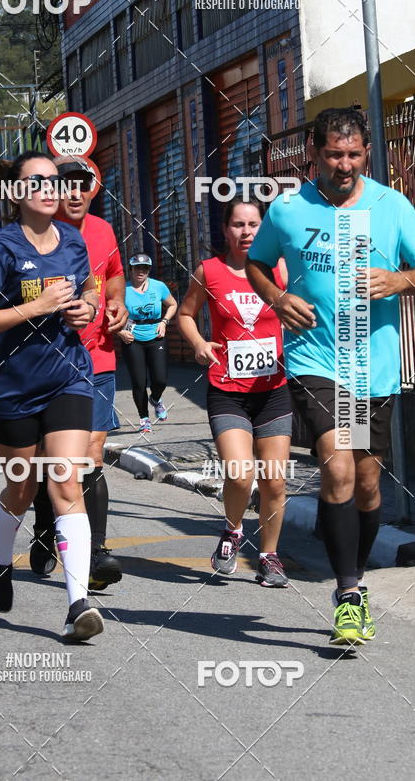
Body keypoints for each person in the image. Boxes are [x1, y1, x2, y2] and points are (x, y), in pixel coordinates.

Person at [246, 107, 415, 645]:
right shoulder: (288, 209)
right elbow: (257, 264)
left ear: (366, 155)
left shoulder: (390, 204)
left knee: (366, 481)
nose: (345, 164)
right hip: (316, 362)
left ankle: (351, 580)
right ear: (313, 151)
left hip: (371, 365)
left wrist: (400, 279)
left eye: (355, 154)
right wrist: (278, 298)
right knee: (336, 468)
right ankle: (351, 591)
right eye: (335, 154)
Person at [0, 151, 104, 641]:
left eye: (56, 180)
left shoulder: (73, 240)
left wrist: (85, 308)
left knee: (66, 480)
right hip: (10, 389)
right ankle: (0, 558)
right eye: (38, 181)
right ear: (17, 193)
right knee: (22, 487)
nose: (51, 187)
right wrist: (37, 307)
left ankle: (77, 604)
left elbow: (89, 289)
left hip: (67, 377)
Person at [178, 196, 292, 586]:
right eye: (238, 225)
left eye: (254, 225)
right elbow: (185, 314)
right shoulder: (209, 271)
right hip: (227, 389)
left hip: (273, 389)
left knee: (275, 479)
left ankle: (270, 556)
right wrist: (198, 344)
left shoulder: (278, 270)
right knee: (242, 475)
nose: (246, 232)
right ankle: (232, 531)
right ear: (226, 230)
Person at [29, 155, 129, 591]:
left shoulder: (105, 231)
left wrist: (118, 303)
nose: (73, 193)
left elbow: (115, 278)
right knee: (54, 460)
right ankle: (46, 525)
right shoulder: (35, 236)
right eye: (64, 185)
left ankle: (97, 552)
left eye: (81, 184)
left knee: (90, 456)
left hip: (98, 359)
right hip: (46, 362)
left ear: (93, 189)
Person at [117, 253, 177, 433]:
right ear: (131, 269)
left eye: (144, 268)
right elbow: (109, 314)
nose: (140, 271)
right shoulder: (123, 289)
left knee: (160, 380)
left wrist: (164, 322)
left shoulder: (159, 287)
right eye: (137, 268)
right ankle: (144, 418)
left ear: (149, 270)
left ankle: (156, 399)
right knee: (139, 382)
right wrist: (120, 332)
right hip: (132, 339)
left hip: (156, 336)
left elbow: (173, 305)